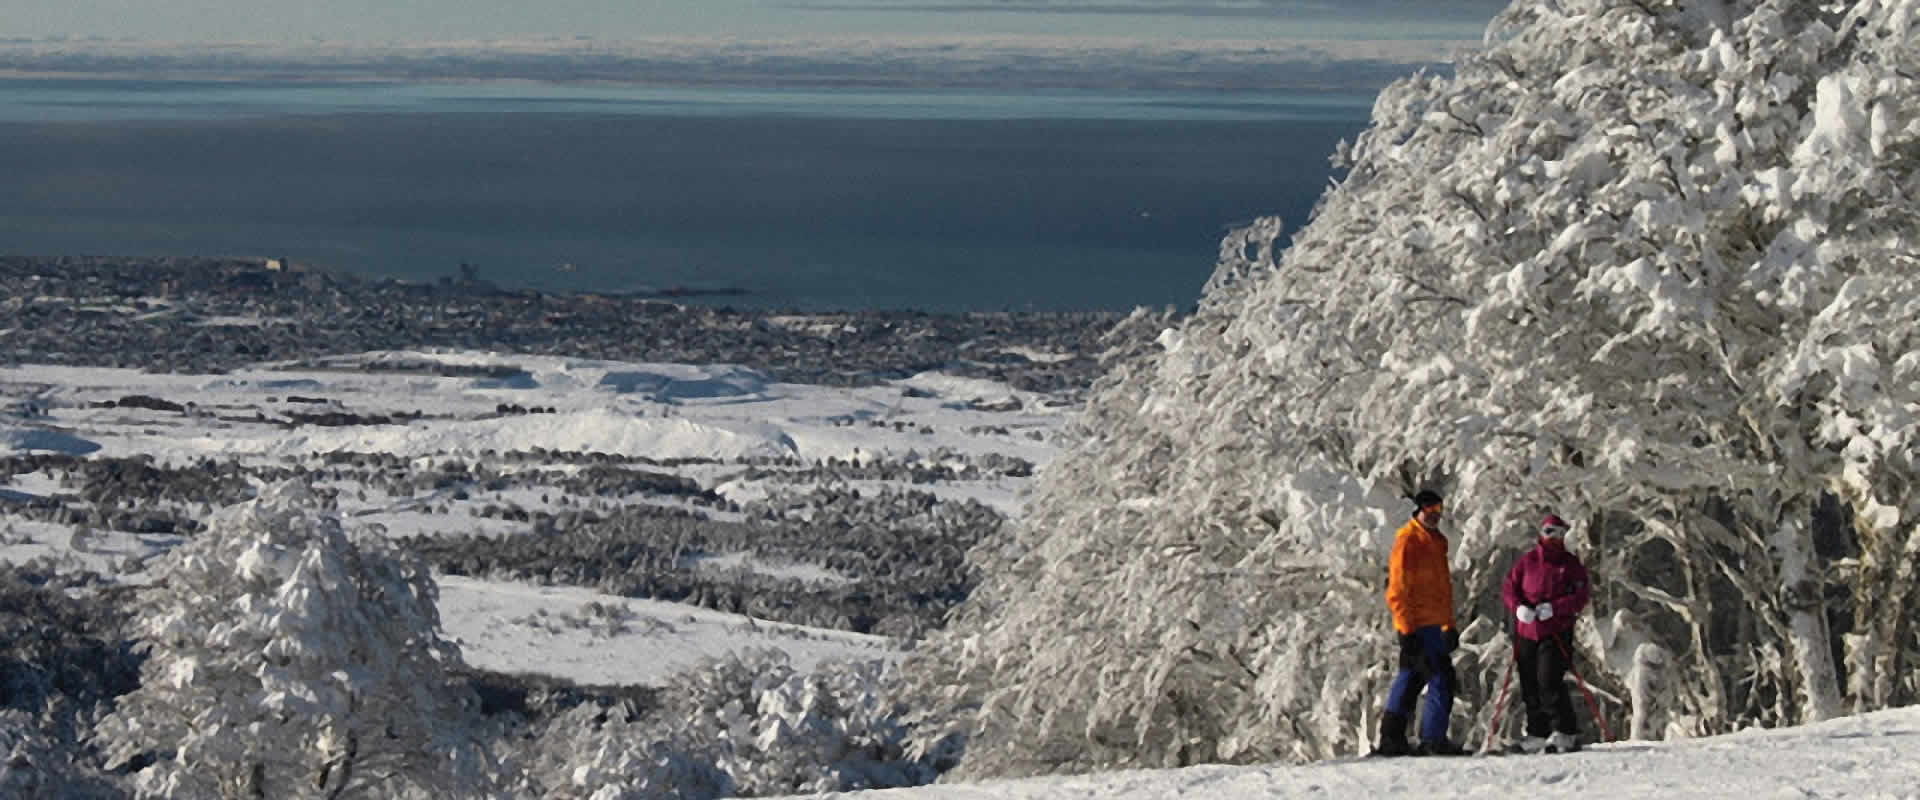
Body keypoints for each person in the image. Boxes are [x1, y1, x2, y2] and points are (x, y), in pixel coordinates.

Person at [1375, 489, 1463, 756]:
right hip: (1417, 625)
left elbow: (1442, 590)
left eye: (1439, 510)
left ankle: (1392, 737)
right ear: (1417, 511)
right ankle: (1432, 738)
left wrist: (1448, 625)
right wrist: (1405, 629)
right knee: (1440, 677)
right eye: (1429, 510)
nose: (1435, 515)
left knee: (1411, 676)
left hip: (1435, 625)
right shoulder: (1408, 540)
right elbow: (1397, 590)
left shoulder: (1437, 542)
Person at [1502, 513, 1592, 754]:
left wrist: (1555, 608)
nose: (1555, 537)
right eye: (1550, 531)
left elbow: (1580, 596)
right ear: (1541, 534)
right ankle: (1537, 732)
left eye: (1560, 533)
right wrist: (1518, 608)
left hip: (1555, 631)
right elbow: (1510, 587)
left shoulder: (1570, 564)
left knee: (1549, 679)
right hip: (1527, 630)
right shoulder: (1528, 561)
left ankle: (1565, 730)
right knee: (1529, 681)